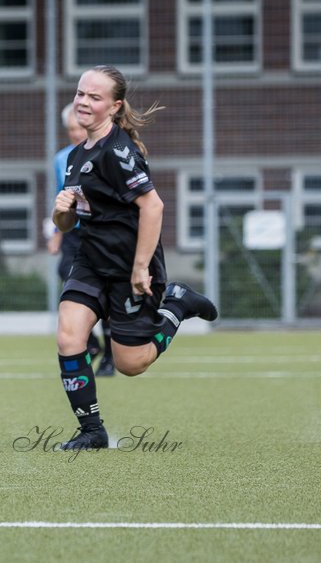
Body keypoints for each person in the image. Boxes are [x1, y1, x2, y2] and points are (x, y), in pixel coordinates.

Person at [50, 65, 218, 450]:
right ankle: (92, 431)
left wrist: (141, 266)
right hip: (91, 261)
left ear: (114, 106)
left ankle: (176, 304)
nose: (84, 102)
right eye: (80, 94)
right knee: (68, 336)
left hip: (129, 267)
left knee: (130, 364)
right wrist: (62, 210)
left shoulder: (119, 151)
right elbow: (66, 223)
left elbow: (153, 206)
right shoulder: (76, 155)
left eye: (95, 97)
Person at [46, 104, 113, 376]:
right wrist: (55, 234)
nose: (76, 133)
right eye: (72, 129)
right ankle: (89, 341)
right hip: (75, 231)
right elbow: (60, 198)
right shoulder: (62, 159)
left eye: (80, 128)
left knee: (106, 291)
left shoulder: (105, 153)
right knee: (68, 277)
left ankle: (109, 353)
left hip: (102, 232)